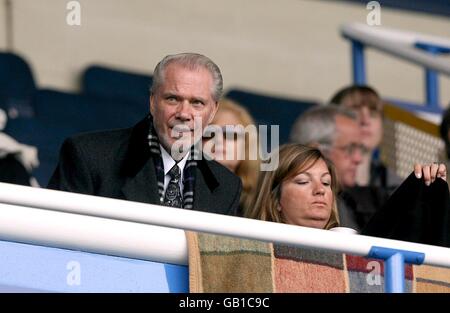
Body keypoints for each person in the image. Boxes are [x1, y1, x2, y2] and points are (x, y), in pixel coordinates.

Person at [48, 53, 242, 216]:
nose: (184, 113)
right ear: (152, 101)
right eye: (172, 99)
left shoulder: (227, 187)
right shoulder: (88, 156)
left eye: (197, 103)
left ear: (213, 111)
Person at [290, 105, 447, 232]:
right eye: (350, 149)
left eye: (361, 150)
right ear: (316, 151)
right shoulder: (306, 205)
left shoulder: (370, 198)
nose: (359, 159)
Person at [245, 144, 339, 230]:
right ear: (275, 199)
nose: (320, 190)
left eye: (326, 183)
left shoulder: (346, 246)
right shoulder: (247, 246)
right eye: (303, 181)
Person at [329, 85, 402, 189]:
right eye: (354, 111)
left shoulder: (396, 186)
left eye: (373, 113)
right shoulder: (314, 182)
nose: (365, 120)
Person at [204, 98, 260, 213]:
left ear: (246, 145)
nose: (218, 140)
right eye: (208, 133)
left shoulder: (260, 200)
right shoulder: (180, 189)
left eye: (230, 134)